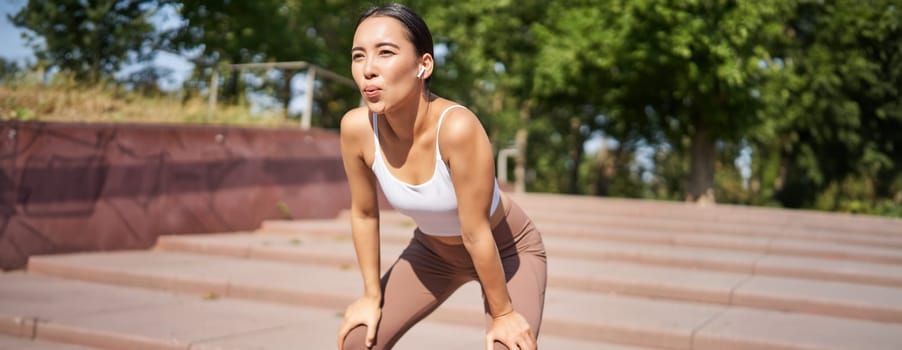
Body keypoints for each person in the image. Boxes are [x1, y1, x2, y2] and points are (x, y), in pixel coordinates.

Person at [336, 3, 547, 350]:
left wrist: (504, 313)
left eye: (385, 53)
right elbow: (364, 213)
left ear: (424, 65)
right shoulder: (356, 129)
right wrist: (370, 296)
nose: (368, 70)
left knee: (509, 347)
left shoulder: (457, 127)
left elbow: (475, 231)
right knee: (359, 341)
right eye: (359, 57)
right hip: (433, 253)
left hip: (507, 248)